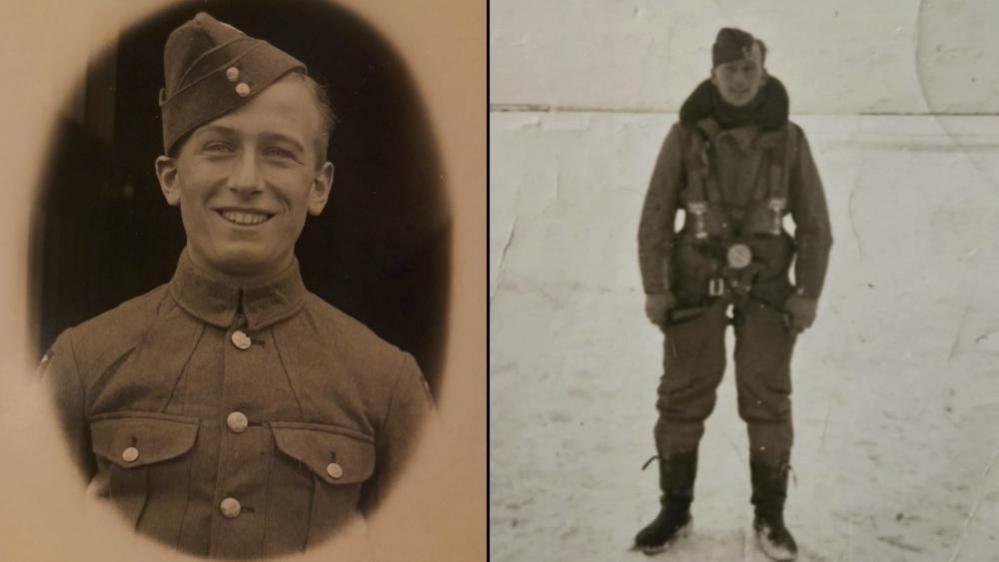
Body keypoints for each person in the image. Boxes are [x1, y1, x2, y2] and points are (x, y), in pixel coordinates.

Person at [36, 12, 433, 558]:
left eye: (279, 152)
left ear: (317, 186)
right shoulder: (83, 361)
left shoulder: (387, 382)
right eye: (219, 147)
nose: (247, 181)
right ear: (171, 178)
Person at [634, 27, 832, 560]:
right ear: (713, 74)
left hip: (767, 291)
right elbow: (655, 219)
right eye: (729, 71)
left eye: (749, 71)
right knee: (681, 397)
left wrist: (807, 292)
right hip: (695, 288)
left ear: (763, 74)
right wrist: (657, 289)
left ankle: (770, 517)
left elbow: (815, 225)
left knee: (768, 401)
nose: (739, 81)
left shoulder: (790, 140)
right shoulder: (684, 137)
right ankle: (674, 509)